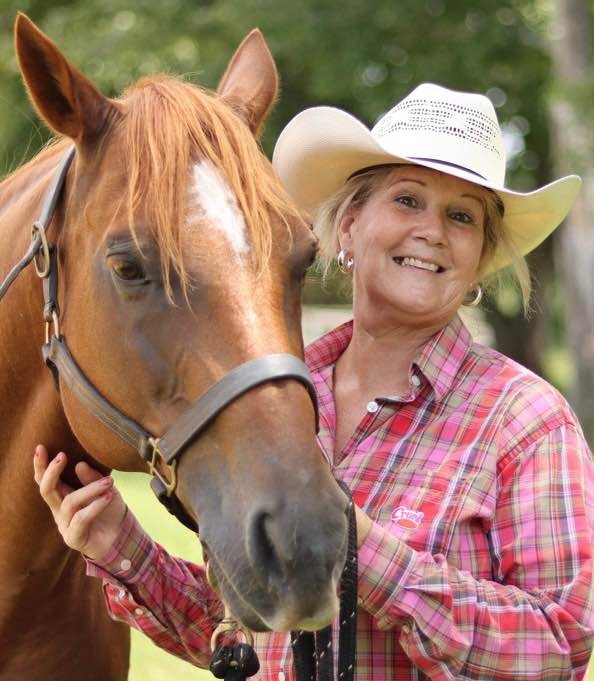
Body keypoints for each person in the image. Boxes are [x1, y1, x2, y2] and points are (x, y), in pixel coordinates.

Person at [34, 83, 594, 680]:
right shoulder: (278, 402)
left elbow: (558, 647)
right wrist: (123, 546)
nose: (433, 230)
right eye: (408, 200)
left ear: (480, 255)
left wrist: (367, 553)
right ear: (348, 227)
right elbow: (249, 638)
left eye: (462, 216)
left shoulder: (525, 419)